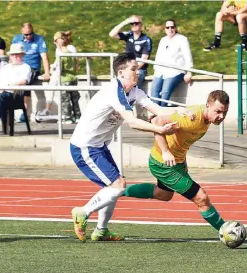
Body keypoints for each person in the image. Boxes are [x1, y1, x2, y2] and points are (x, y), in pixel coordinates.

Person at [70, 52, 194, 242]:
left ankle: (101, 231)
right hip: (85, 146)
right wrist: (159, 128)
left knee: (111, 188)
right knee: (118, 185)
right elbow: (133, 122)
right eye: (133, 69)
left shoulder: (135, 91)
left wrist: (181, 111)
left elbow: (158, 110)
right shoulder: (115, 91)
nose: (138, 72)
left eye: (138, 68)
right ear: (121, 73)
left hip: (99, 146)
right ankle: (83, 212)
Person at [124, 90, 229, 234]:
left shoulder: (207, 119)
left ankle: (119, 191)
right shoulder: (192, 118)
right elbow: (159, 121)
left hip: (175, 163)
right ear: (207, 106)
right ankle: (226, 231)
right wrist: (166, 152)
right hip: (163, 164)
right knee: (201, 198)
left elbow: (182, 139)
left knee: (164, 194)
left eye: (224, 113)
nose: (221, 116)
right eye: (218, 111)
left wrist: (182, 160)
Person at [36, 31, 81, 124]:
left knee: (65, 99)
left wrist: (55, 69)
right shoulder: (66, 51)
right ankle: (77, 116)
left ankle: (67, 117)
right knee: (74, 99)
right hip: (72, 77)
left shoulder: (64, 52)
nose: (55, 43)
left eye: (55, 41)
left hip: (64, 78)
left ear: (60, 41)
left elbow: (61, 67)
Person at [11, 22, 50, 121]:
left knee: (25, 82)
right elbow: (12, 55)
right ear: (22, 32)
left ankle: (25, 113)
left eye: (30, 34)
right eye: (26, 34)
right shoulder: (16, 39)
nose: (28, 36)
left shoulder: (39, 39)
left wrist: (47, 73)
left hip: (33, 68)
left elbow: (44, 57)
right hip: (18, 66)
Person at [151, 19, 193, 107]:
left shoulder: (182, 39)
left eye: (172, 27)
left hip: (175, 71)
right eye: (167, 27)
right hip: (161, 71)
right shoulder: (163, 40)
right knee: (154, 91)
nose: (170, 29)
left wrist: (189, 72)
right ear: (165, 29)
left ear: (175, 28)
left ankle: (161, 113)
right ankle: (155, 114)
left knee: (165, 92)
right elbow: (158, 57)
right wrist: (155, 72)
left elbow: (187, 56)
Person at [109, 15, 152, 88]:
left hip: (139, 69)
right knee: (117, 81)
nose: (134, 25)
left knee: (132, 83)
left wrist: (132, 69)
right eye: (132, 23)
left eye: (136, 23)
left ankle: (132, 98)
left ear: (141, 26)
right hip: (127, 67)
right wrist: (125, 22)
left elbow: (143, 60)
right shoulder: (129, 35)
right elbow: (112, 34)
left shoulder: (146, 39)